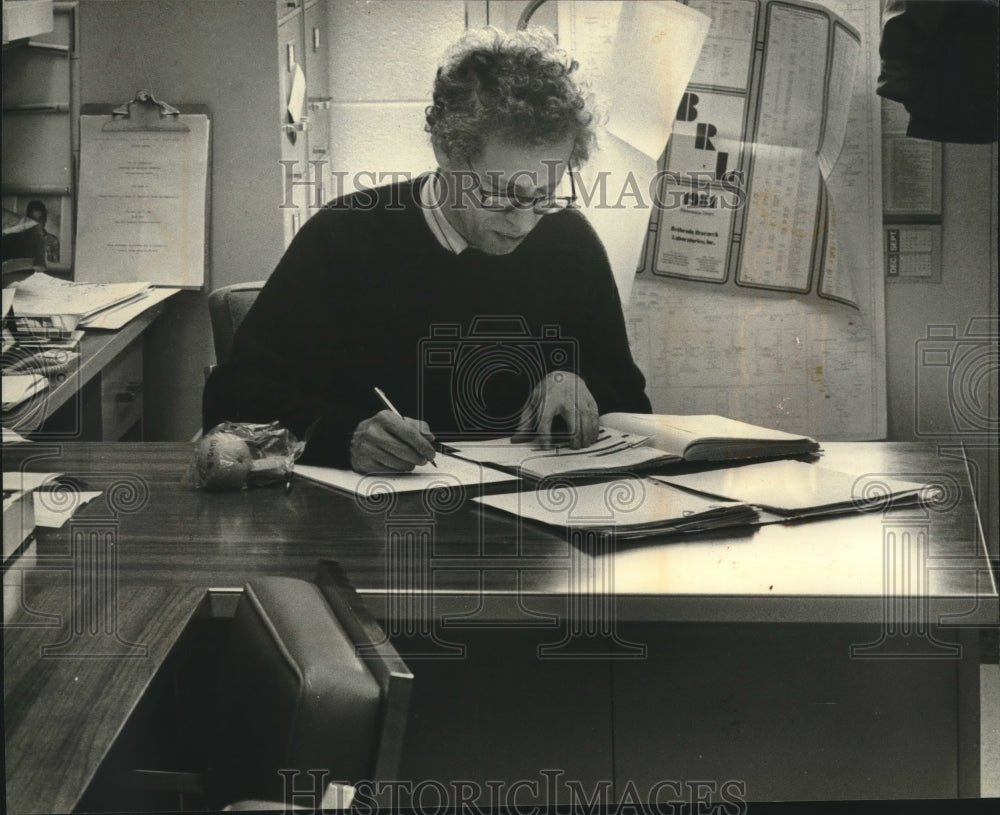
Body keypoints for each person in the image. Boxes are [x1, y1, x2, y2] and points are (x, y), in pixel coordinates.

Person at [203, 27, 651, 473]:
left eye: (545, 195)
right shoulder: (344, 237)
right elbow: (234, 398)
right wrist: (344, 436)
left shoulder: (570, 241)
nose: (524, 221)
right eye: (499, 193)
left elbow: (631, 399)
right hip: (370, 523)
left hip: (528, 524)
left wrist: (580, 386)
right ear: (446, 151)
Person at [25, 200, 60, 265]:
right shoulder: (22, 240)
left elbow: (56, 265)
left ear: (45, 220)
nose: (37, 223)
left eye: (40, 219)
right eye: (33, 219)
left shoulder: (53, 241)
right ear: (27, 220)